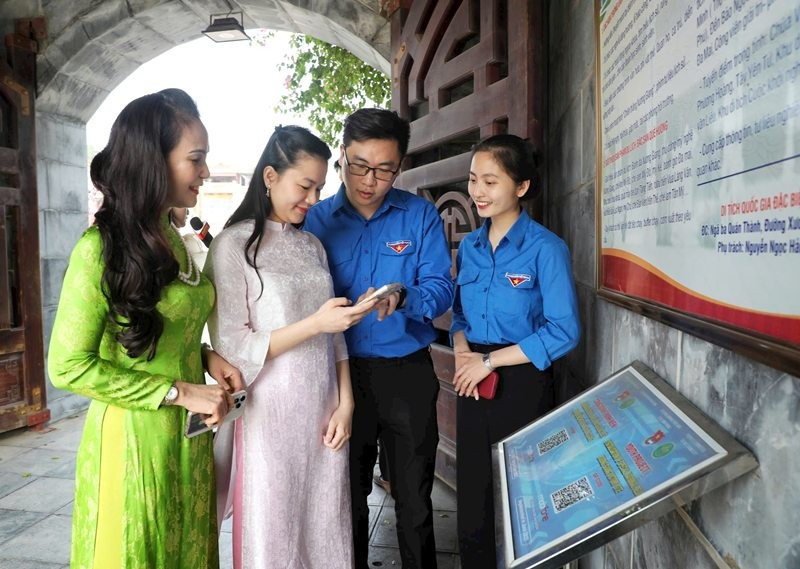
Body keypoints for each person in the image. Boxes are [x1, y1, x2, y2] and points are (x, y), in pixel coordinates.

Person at [48, 88, 244, 568]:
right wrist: (179, 391)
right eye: (195, 159)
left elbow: (156, 327)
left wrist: (205, 357)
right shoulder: (100, 249)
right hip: (133, 439)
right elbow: (67, 367)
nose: (205, 172)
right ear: (153, 162)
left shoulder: (169, 240)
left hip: (188, 436)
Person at [206, 125, 375, 569]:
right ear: (269, 176)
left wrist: (346, 403)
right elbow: (233, 346)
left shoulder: (312, 246)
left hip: (323, 410)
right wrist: (314, 323)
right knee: (273, 529)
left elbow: (334, 332)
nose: (314, 199)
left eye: (320, 187)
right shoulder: (232, 247)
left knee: (326, 525)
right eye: (305, 185)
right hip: (268, 414)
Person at [304, 108, 454, 569]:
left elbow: (442, 288)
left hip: (406, 371)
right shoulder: (315, 220)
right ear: (342, 156)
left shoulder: (419, 216)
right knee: (346, 494)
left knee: (414, 496)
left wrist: (404, 295)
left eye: (385, 169)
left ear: (400, 166)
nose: (370, 180)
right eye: (359, 165)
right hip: (339, 376)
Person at [450, 134, 581, 568]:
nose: (477, 192)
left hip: (521, 380)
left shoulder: (546, 249)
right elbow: (459, 316)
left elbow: (564, 331)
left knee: (523, 496)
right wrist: (464, 351)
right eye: (473, 180)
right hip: (472, 381)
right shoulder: (469, 246)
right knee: (473, 492)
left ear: (521, 187)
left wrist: (489, 361)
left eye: (490, 181)